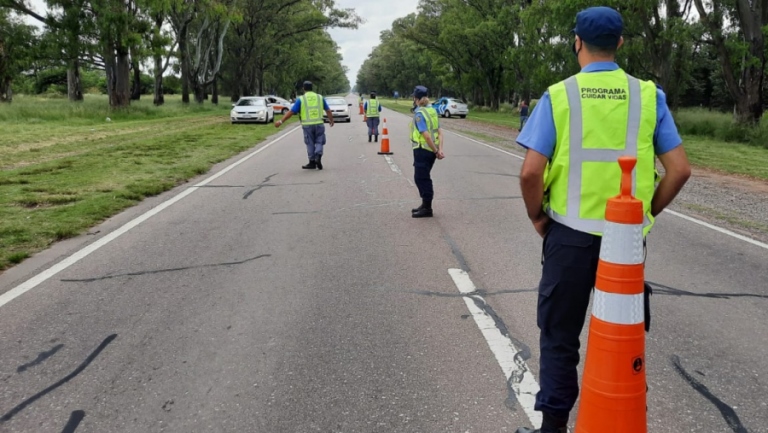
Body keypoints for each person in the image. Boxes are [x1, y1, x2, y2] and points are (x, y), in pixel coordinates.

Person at [515, 7, 691, 433]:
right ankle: (621, 416)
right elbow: (680, 169)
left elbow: (531, 172)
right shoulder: (649, 95)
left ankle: (554, 426)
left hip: (570, 237)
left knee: (559, 336)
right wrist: (644, 214)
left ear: (576, 42)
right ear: (620, 44)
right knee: (621, 333)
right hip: (625, 243)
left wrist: (539, 217)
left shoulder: (559, 95)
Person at [275, 81, 334, 170]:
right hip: (319, 124)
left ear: (303, 88)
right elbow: (328, 110)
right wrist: (331, 120)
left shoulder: (301, 99)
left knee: (309, 143)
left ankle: (312, 162)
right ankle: (318, 155)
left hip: (307, 125)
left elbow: (291, 112)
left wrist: (281, 121)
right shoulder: (320, 97)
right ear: (312, 88)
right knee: (319, 141)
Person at [410, 85, 445, 218]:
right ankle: (424, 204)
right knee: (423, 177)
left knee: (421, 178)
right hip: (431, 151)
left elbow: (426, 135)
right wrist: (439, 150)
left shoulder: (420, 114)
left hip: (423, 149)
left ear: (416, 99)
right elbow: (440, 132)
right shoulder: (432, 111)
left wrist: (436, 150)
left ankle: (427, 208)